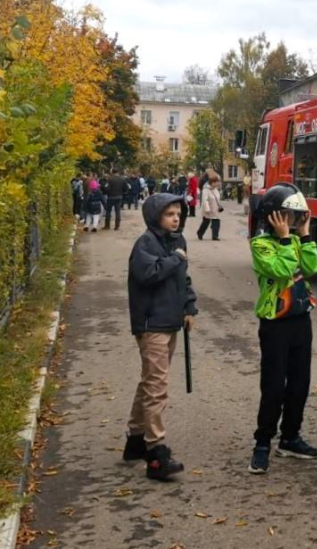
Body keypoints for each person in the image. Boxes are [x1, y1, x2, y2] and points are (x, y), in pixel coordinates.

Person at [122, 193, 198, 481]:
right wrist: (174, 261)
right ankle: (155, 452)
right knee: (157, 386)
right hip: (151, 323)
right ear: (156, 217)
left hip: (171, 322)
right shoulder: (146, 244)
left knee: (149, 382)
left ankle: (135, 440)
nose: (176, 218)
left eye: (178, 213)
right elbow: (148, 274)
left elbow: (184, 278)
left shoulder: (177, 242)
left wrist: (190, 306)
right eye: (169, 214)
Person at [248, 183, 317, 475]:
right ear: (273, 216)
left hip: (300, 319)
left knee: (300, 383)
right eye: (287, 216)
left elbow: (312, 267)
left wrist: (304, 236)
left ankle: (290, 437)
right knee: (274, 386)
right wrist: (287, 239)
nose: (291, 221)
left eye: (295, 216)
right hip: (275, 323)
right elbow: (282, 270)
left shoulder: (293, 239)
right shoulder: (260, 244)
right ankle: (263, 443)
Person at [196, 173, 223, 241]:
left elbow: (217, 198)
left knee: (216, 221)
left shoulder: (215, 189)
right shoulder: (206, 190)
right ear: (212, 182)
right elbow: (205, 200)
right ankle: (200, 233)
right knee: (206, 222)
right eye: (216, 182)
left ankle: (215, 236)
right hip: (207, 209)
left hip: (215, 209)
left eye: (218, 182)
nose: (217, 184)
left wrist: (219, 206)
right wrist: (207, 209)